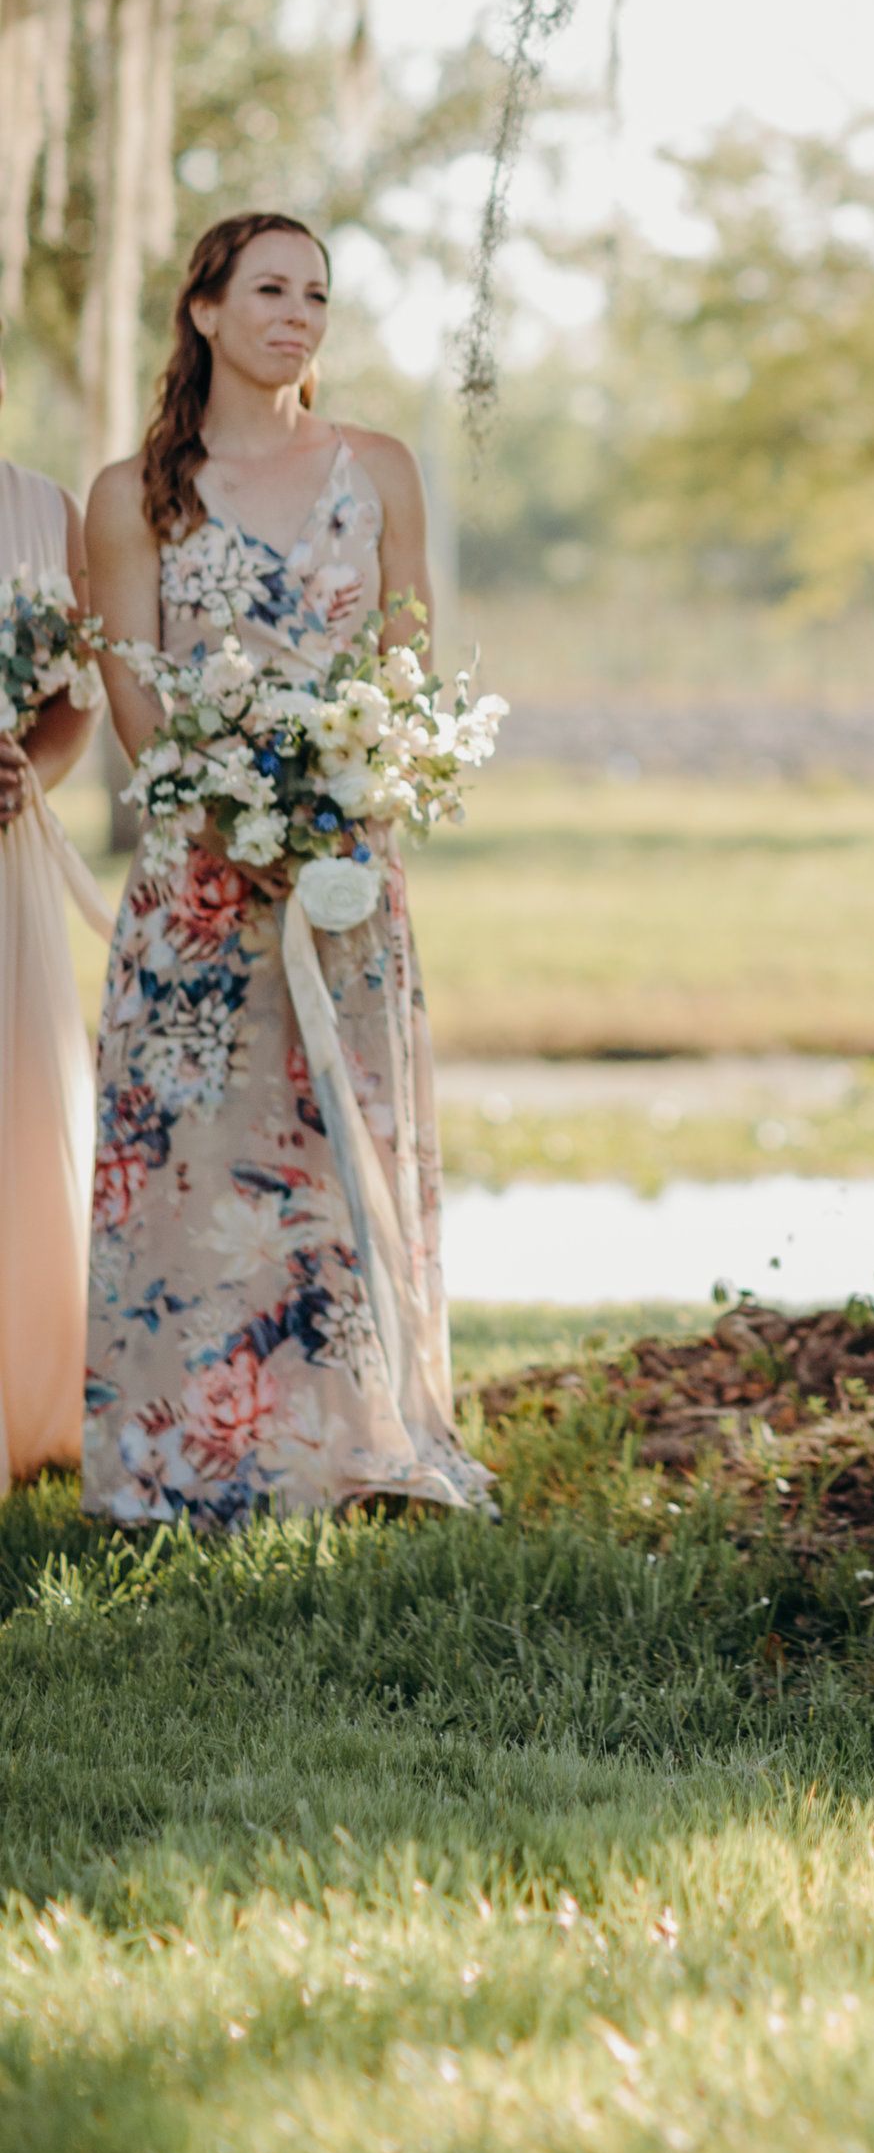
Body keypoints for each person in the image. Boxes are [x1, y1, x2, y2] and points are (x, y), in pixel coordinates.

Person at [82, 214, 491, 1528]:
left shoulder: (378, 467)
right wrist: (228, 823)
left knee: (337, 1143)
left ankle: (356, 1443)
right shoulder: (132, 492)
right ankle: (183, 1460)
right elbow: (134, 696)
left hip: (344, 876)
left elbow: (408, 654)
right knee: (197, 1158)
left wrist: (356, 788)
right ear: (202, 310)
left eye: (318, 291)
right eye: (269, 288)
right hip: (199, 882)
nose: (298, 312)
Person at [0, 317, 103, 1486]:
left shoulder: (45, 511)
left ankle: (29, 1406)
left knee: (20, 1099)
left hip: (6, 853)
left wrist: (36, 769)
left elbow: (73, 699)